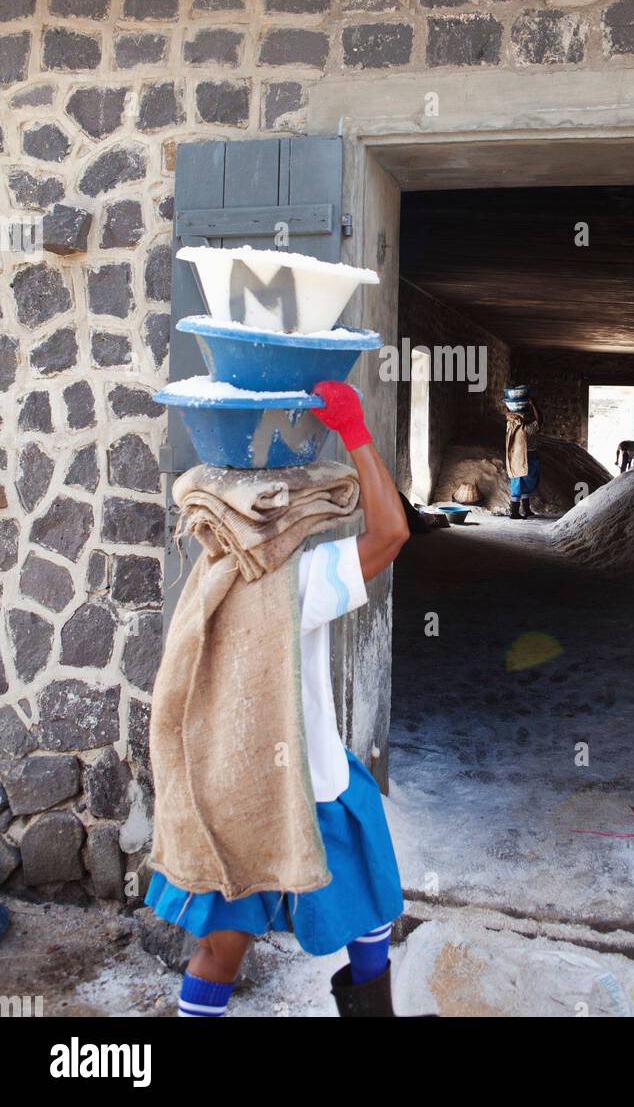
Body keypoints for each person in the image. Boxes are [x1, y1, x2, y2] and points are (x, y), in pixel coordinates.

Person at [144, 381, 414, 1018]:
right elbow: (393, 531)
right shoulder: (301, 579)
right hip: (308, 785)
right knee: (370, 912)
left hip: (223, 790)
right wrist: (354, 431)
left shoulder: (209, 570)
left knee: (220, 952)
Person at [504, 386, 543, 519]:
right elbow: (540, 421)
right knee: (524, 481)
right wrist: (533, 404)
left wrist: (507, 405)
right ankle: (514, 512)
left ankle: (525, 510)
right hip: (528, 456)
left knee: (519, 481)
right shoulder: (527, 429)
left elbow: (508, 414)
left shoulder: (511, 426)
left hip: (515, 456)